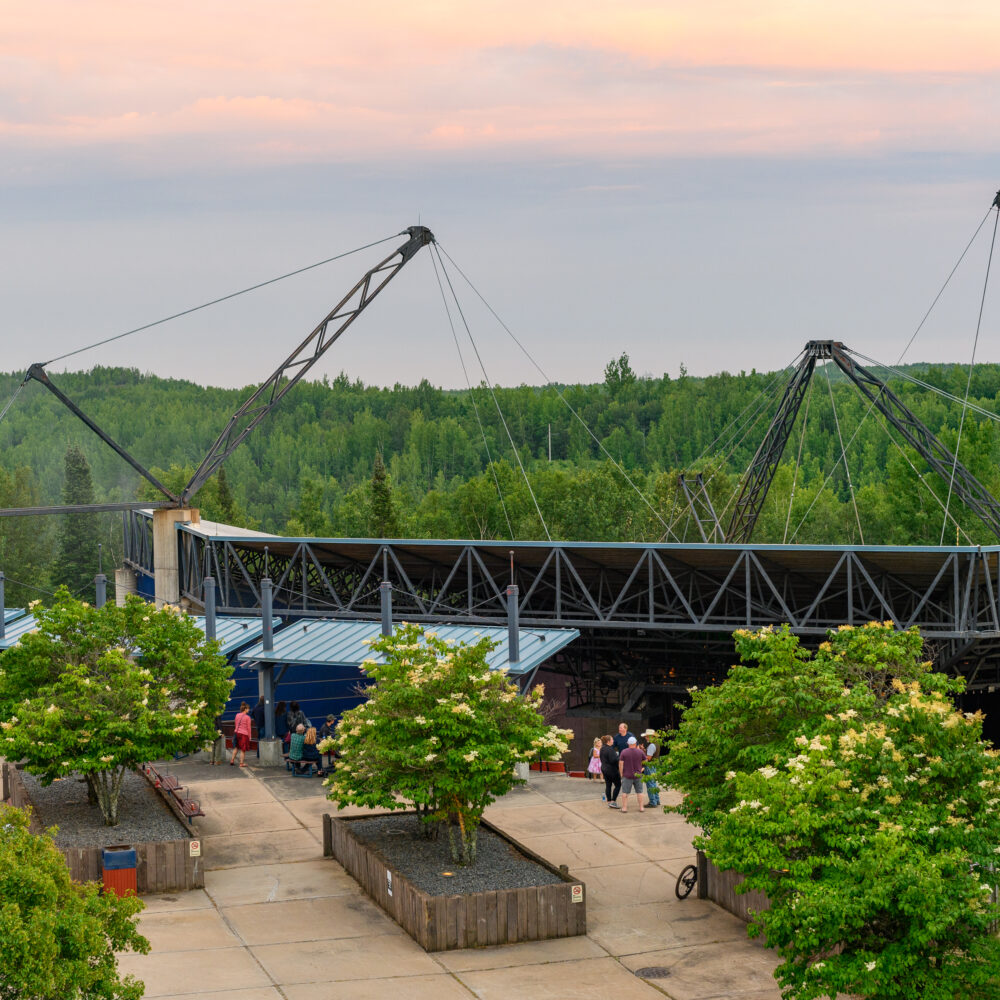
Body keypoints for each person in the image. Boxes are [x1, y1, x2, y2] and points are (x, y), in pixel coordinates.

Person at [618, 735, 646, 814]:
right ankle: (641, 807)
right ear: (635, 743)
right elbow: (646, 761)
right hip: (638, 775)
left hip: (627, 775)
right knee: (640, 792)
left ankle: (624, 808)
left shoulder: (624, 752)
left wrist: (621, 774)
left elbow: (621, 764)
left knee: (625, 792)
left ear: (628, 743)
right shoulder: (640, 752)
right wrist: (642, 769)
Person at [599, 734, 621, 808]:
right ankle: (613, 801)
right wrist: (618, 757)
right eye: (612, 739)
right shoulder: (610, 749)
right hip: (612, 770)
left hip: (604, 769)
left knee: (608, 785)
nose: (613, 741)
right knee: (618, 785)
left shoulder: (602, 748)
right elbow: (613, 760)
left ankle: (609, 801)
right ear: (608, 741)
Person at [641, 728, 661, 807]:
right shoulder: (656, 743)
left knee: (650, 784)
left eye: (647, 736)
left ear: (651, 736)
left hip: (650, 766)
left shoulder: (651, 745)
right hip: (654, 765)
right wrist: (644, 750)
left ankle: (652, 802)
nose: (646, 738)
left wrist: (641, 761)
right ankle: (656, 800)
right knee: (654, 783)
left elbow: (648, 758)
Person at [230, 702, 252, 767]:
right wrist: (249, 736)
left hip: (236, 733)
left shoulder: (237, 715)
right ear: (245, 709)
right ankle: (241, 763)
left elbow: (235, 723)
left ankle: (232, 760)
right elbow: (249, 728)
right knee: (243, 750)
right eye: (248, 709)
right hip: (244, 734)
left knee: (236, 747)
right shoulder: (248, 717)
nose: (249, 710)